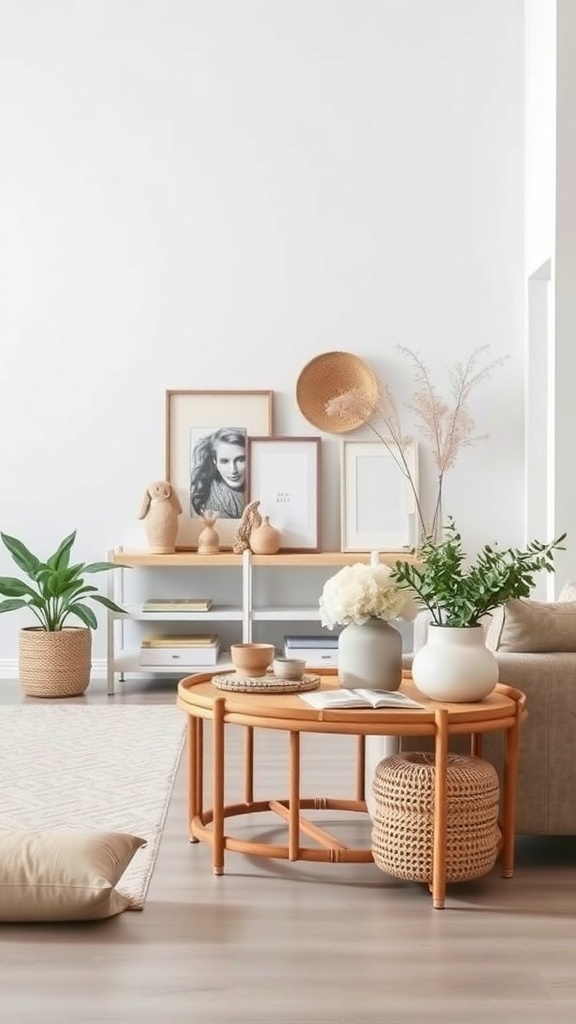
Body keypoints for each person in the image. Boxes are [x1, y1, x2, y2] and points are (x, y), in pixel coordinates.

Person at [190, 427, 247, 519]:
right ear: (215, 461)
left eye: (240, 460)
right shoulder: (211, 501)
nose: (233, 470)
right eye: (224, 461)